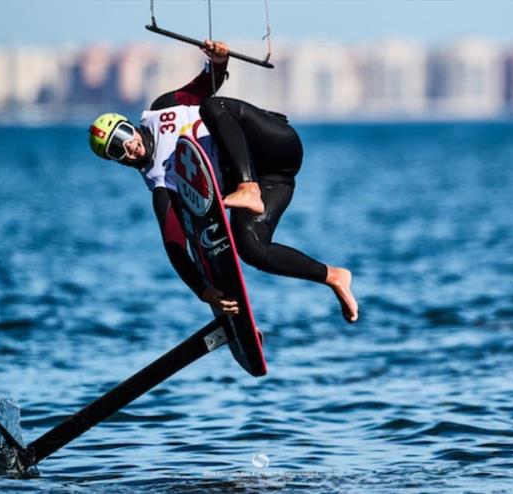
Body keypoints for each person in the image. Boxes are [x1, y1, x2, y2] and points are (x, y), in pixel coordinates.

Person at [88, 41, 358, 323]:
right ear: (117, 160)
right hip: (277, 180)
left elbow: (205, 85)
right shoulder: (162, 188)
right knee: (251, 248)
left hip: (275, 144)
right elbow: (176, 246)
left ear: (128, 125)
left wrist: (218, 61)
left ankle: (246, 186)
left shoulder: (162, 110)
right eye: (116, 149)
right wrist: (203, 291)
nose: (128, 146)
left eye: (122, 135)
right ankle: (334, 277)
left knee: (211, 106)